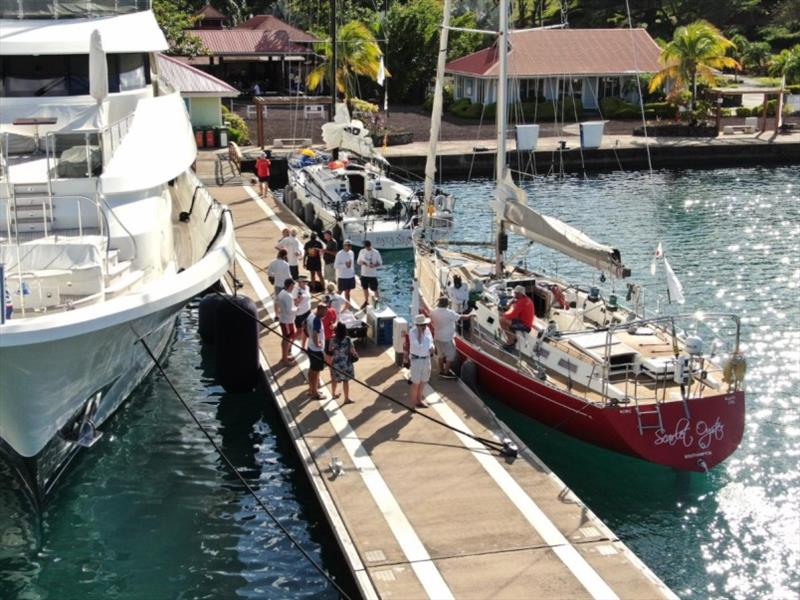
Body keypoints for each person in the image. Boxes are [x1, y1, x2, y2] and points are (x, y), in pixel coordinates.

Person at [429, 296, 470, 378]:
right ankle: (446, 372)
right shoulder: (449, 313)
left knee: (440, 355)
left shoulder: (433, 312)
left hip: (437, 337)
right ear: (447, 304)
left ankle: (441, 370)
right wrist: (470, 315)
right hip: (447, 338)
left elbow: (431, 320)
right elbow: (461, 317)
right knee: (451, 355)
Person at [408, 314, 434, 408]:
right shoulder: (412, 332)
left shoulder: (427, 330)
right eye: (422, 325)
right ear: (417, 325)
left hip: (426, 359)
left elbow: (431, 341)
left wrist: (432, 347)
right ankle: (414, 403)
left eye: (425, 324)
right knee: (416, 383)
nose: (424, 326)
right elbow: (418, 344)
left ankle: (419, 400)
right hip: (417, 360)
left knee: (424, 381)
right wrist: (420, 333)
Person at [499, 285, 535, 349]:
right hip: (525, 322)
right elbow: (516, 308)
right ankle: (513, 337)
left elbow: (512, 315)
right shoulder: (526, 299)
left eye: (515, 293)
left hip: (525, 325)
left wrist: (503, 315)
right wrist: (512, 303)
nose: (514, 294)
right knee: (507, 319)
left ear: (519, 294)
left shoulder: (521, 302)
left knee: (502, 320)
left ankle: (511, 341)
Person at [329, 322, 357, 405]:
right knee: (345, 381)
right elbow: (352, 351)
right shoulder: (347, 339)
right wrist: (355, 354)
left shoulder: (333, 338)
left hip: (335, 363)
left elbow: (330, 349)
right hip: (345, 364)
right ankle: (346, 398)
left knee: (334, 379)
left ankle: (333, 394)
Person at [305, 303, 327, 399]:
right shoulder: (317, 320)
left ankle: (311, 389)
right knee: (316, 371)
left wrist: (308, 336)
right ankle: (315, 393)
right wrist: (317, 343)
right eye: (325, 312)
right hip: (316, 350)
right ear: (320, 310)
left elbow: (304, 326)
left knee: (312, 370)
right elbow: (315, 333)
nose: (325, 314)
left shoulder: (310, 315)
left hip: (310, 347)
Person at [275, 278, 297, 365]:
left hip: (285, 319)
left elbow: (276, 303)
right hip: (287, 320)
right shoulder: (288, 296)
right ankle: (285, 359)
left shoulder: (282, 293)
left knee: (286, 339)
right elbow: (289, 310)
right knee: (287, 339)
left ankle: (285, 356)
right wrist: (297, 308)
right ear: (290, 285)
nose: (293, 287)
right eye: (293, 286)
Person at [356, 240, 382, 308]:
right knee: (365, 288)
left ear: (370, 245)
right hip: (364, 274)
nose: (367, 248)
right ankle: (366, 301)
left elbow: (380, 263)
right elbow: (358, 262)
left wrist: (374, 265)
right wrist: (363, 263)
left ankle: (378, 301)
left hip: (372, 274)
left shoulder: (376, 252)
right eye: (366, 247)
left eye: (368, 247)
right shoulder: (362, 251)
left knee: (375, 289)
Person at [292, 276, 312, 349]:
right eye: (304, 281)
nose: (306, 283)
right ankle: (290, 345)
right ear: (299, 282)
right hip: (299, 314)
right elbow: (295, 304)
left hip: (308, 312)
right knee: (299, 332)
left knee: (306, 330)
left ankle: (303, 347)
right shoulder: (295, 291)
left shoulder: (307, 288)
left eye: (306, 281)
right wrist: (299, 299)